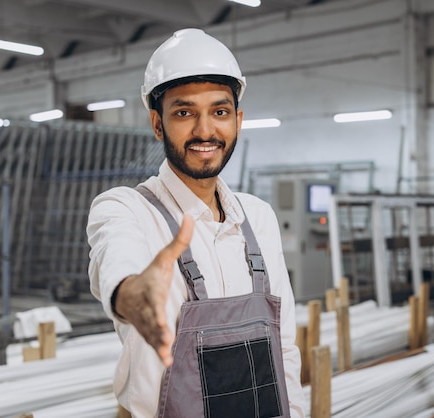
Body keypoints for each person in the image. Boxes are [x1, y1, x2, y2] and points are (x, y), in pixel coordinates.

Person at [87, 28, 305, 417]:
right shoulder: (125, 209)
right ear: (157, 123)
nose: (205, 131)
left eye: (219, 112)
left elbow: (284, 347)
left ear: (237, 119)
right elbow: (117, 259)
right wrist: (134, 296)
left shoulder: (258, 218)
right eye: (184, 112)